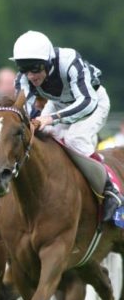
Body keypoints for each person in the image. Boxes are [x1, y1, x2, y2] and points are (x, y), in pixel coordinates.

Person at [11, 30, 119, 221]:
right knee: (41, 137)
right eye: (24, 69)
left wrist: (52, 118)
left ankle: (110, 191)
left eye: (35, 68)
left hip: (93, 103)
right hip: (58, 103)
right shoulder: (23, 78)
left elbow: (87, 102)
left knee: (74, 139)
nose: (30, 75)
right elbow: (23, 111)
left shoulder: (69, 61)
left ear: (48, 61)